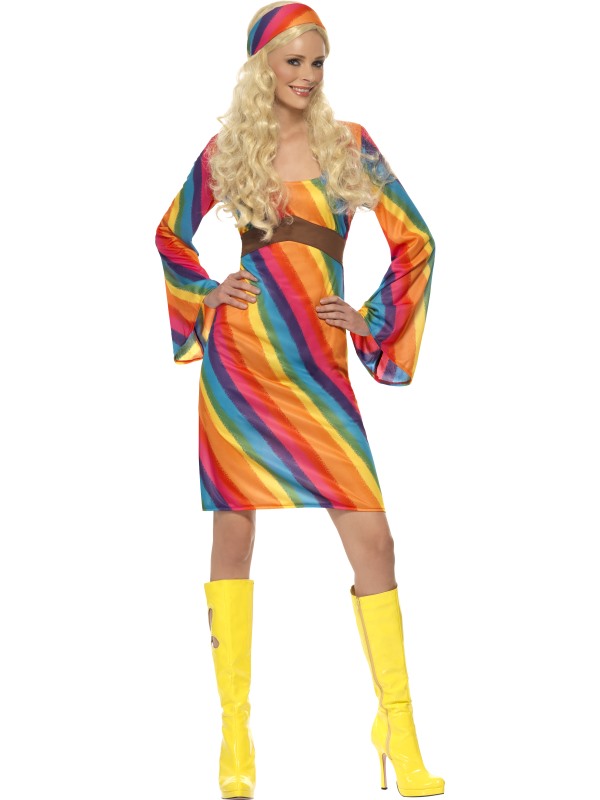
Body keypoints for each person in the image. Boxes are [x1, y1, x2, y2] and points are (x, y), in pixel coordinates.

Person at [155, 2, 443, 797]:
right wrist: (209, 293)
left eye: (318, 63)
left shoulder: (352, 144)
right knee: (234, 536)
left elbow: (417, 241)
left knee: (374, 542)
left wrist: (370, 319)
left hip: (317, 365)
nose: (308, 77)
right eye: (293, 63)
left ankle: (398, 729)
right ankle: (235, 737)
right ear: (263, 68)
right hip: (243, 361)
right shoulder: (229, 150)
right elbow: (170, 235)